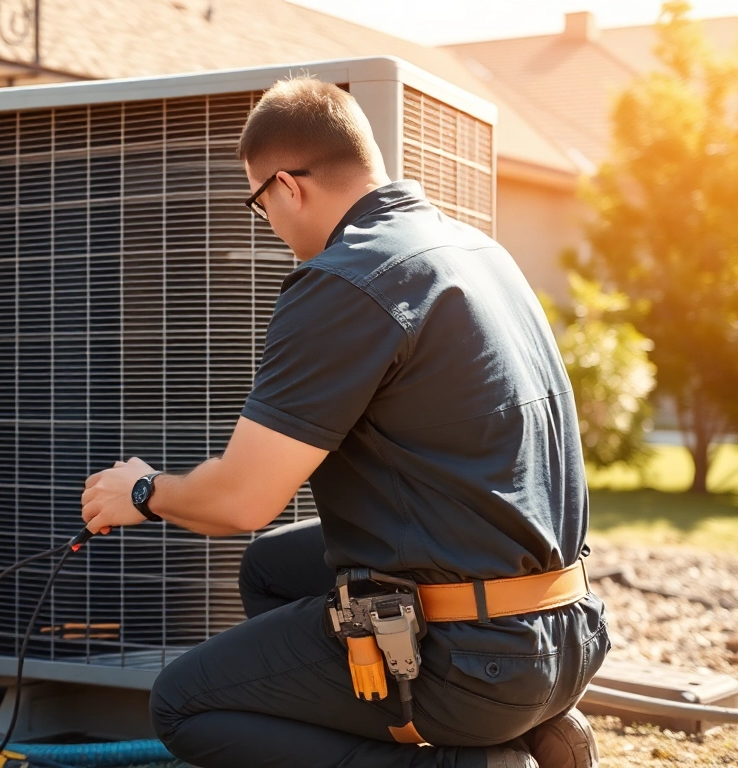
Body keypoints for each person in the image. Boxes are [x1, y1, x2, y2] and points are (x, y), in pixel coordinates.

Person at [80, 76, 609, 768]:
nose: (265, 222)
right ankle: (518, 730)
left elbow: (243, 500)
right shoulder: (480, 253)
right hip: (565, 637)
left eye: (257, 203)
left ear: (286, 187)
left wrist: (144, 493)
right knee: (273, 569)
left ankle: (469, 760)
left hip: (479, 661)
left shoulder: (344, 279)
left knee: (185, 702)